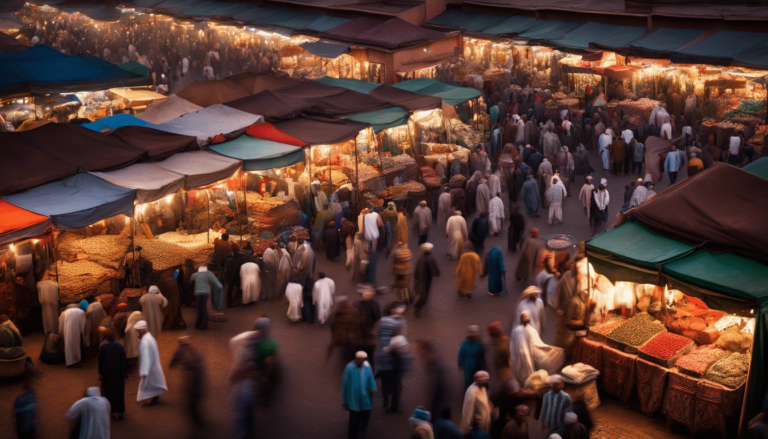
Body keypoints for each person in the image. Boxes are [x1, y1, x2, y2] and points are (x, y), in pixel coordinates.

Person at [511, 312, 565, 386]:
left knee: (557, 353)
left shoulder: (531, 329)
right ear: (520, 319)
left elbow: (537, 343)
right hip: (525, 353)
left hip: (534, 350)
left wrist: (546, 348)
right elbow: (522, 347)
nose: (527, 319)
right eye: (524, 317)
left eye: (527, 317)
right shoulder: (518, 330)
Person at [170, 336, 206, 428]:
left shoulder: (184, 353)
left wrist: (189, 387)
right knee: (195, 404)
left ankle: (198, 422)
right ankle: (198, 421)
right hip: (198, 384)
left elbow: (174, 361)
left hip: (194, 385)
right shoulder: (194, 352)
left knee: (192, 405)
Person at [342, 351, 376, 439]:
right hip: (354, 400)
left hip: (365, 399)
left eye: (363, 359)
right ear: (356, 359)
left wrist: (372, 388)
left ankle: (362, 428)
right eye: (359, 359)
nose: (361, 361)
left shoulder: (367, 365)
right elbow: (345, 384)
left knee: (365, 416)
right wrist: (345, 400)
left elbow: (370, 378)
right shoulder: (349, 368)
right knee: (353, 422)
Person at [135, 320, 167, 405]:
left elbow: (146, 358)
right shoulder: (150, 337)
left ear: (141, 331)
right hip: (154, 366)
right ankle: (155, 396)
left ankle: (151, 398)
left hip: (150, 369)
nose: (137, 334)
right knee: (154, 383)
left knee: (148, 385)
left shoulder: (145, 342)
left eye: (138, 332)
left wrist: (144, 371)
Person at [380, 335, 413, 414]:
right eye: (401, 347)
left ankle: (391, 407)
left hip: (394, 376)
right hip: (391, 376)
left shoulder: (394, 354)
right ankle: (389, 406)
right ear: (396, 347)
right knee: (391, 391)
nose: (403, 349)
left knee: (394, 391)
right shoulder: (392, 356)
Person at [98, 330, 126, 420]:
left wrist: (100, 373)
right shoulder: (119, 347)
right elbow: (123, 361)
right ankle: (120, 411)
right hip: (118, 375)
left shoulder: (103, 348)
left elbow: (100, 362)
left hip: (107, 376)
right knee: (119, 393)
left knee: (109, 393)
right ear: (114, 338)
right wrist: (123, 373)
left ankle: (111, 411)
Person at [190, 266, 223, 330]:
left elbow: (191, 278)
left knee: (199, 309)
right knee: (204, 308)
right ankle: (204, 324)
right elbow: (219, 285)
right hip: (205, 293)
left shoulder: (195, 275)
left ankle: (197, 325)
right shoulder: (209, 274)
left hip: (197, 293)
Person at [413, 243, 441, 317]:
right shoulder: (430, 257)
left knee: (422, 294)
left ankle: (417, 306)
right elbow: (434, 268)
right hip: (425, 280)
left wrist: (415, 278)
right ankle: (417, 307)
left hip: (421, 279)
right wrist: (437, 273)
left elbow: (416, 269)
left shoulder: (420, 257)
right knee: (423, 296)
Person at [356, 285, 381, 362]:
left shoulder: (358, 304)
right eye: (365, 292)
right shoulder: (375, 304)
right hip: (365, 331)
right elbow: (378, 316)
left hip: (365, 331)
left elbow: (377, 317)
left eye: (367, 292)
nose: (366, 294)